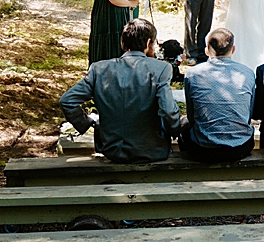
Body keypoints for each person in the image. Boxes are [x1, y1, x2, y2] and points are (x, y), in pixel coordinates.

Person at [60, 19, 180, 163]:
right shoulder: (161, 69)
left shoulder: (99, 69)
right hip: (152, 150)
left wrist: (88, 123)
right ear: (149, 43)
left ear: (123, 43)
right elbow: (168, 111)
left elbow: (67, 101)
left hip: (111, 150)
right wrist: (176, 131)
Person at [178, 28, 257, 163]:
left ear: (207, 51)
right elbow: (248, 115)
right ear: (233, 49)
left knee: (183, 124)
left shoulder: (192, 74)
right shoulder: (247, 73)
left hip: (203, 148)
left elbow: (192, 115)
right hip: (240, 147)